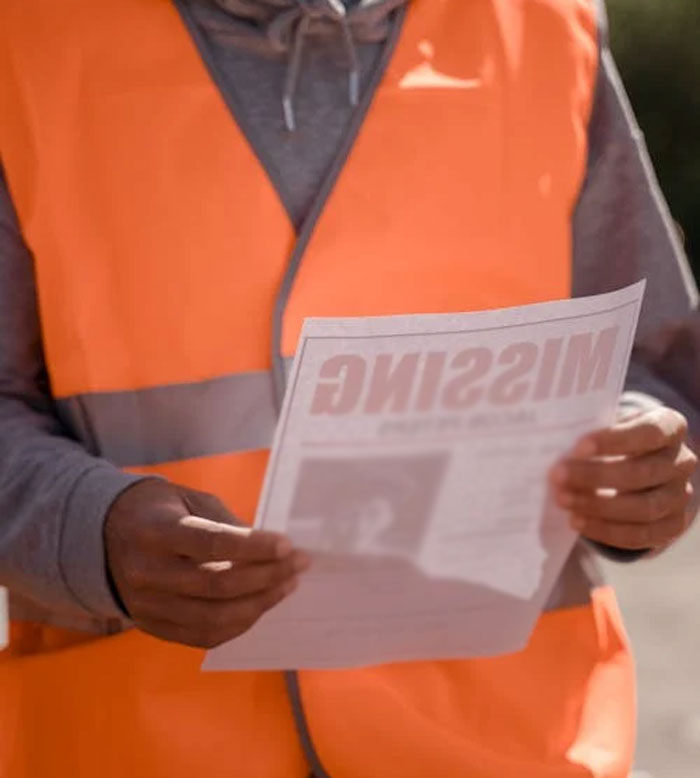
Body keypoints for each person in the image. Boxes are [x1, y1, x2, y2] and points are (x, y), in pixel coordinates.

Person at [0, 0, 698, 776]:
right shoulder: (25, 42)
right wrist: (86, 532)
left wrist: (636, 456)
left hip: (508, 744)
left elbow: (649, 361)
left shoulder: (543, 25)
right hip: (141, 745)